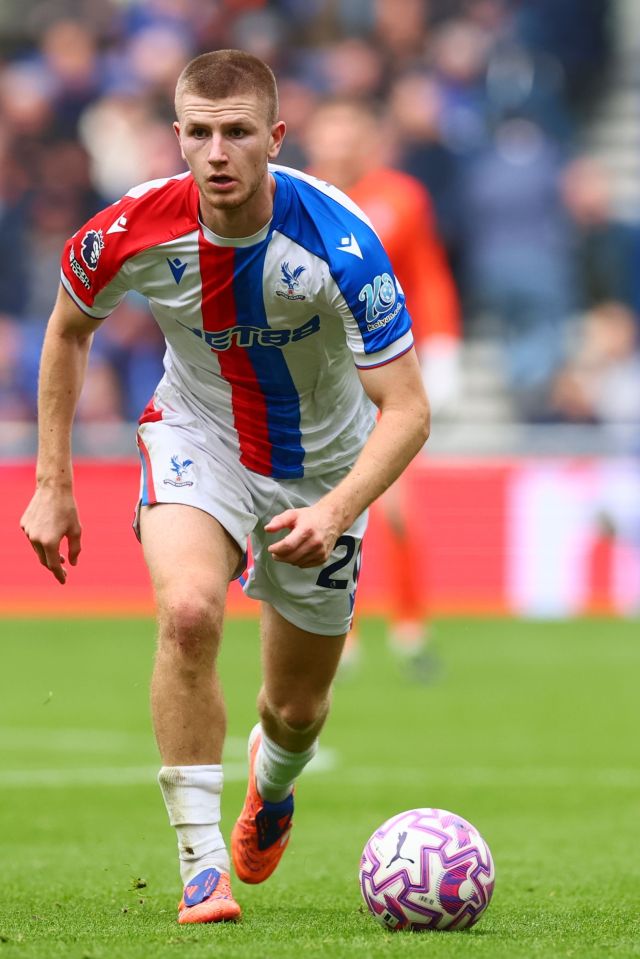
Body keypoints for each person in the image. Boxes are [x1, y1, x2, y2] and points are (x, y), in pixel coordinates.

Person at [20, 50, 430, 924]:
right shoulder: (127, 228)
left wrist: (336, 509)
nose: (217, 152)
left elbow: (407, 410)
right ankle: (201, 866)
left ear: (274, 137)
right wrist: (52, 481)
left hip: (322, 470)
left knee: (296, 708)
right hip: (196, 437)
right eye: (199, 133)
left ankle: (271, 786)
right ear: (177, 136)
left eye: (237, 132)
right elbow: (66, 330)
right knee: (189, 612)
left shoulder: (342, 242)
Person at [304, 96, 460, 671]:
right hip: (317, 372)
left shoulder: (402, 198)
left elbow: (427, 275)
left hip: (380, 370)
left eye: (350, 129)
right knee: (321, 504)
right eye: (331, 129)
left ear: (368, 138)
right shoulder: (294, 197)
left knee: (393, 508)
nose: (340, 141)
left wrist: (442, 348)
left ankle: (410, 626)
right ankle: (337, 630)